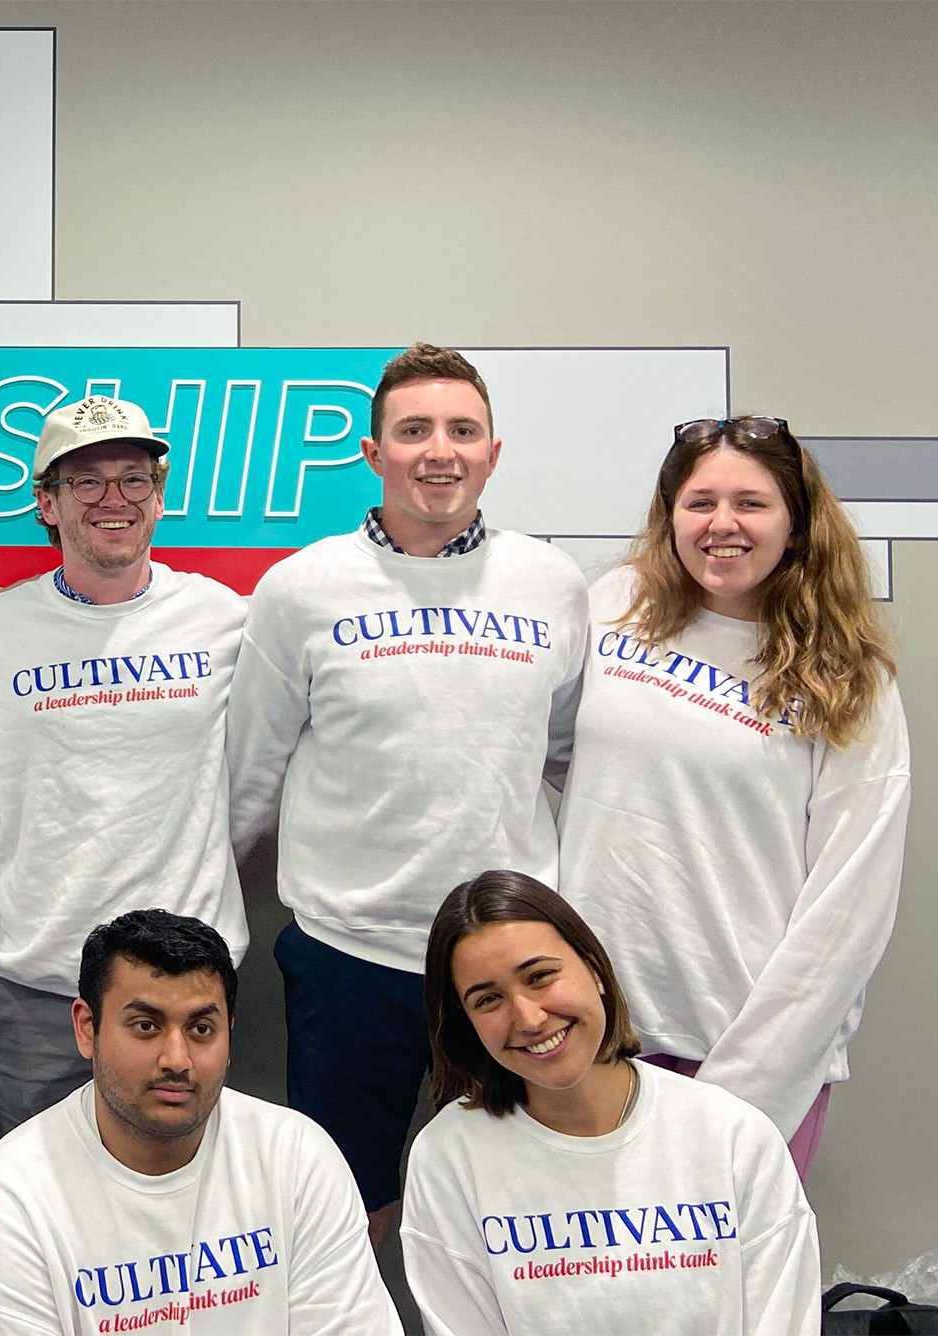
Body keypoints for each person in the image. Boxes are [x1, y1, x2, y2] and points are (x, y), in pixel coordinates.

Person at [226, 343, 588, 1247]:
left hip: (507, 960)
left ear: (493, 454)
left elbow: (572, 755)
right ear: (374, 452)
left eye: (462, 431)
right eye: (414, 430)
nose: (440, 451)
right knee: (350, 1206)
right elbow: (247, 773)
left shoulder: (551, 584)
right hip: (352, 954)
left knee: (517, 1194)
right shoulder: (302, 587)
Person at [556, 415, 909, 1176]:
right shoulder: (611, 605)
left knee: (725, 1289)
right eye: (699, 502)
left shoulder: (848, 675)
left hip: (746, 1046)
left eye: (751, 503)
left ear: (796, 523)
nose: (723, 524)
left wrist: (751, 1083)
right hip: (593, 1037)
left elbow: (851, 903)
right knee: (581, 1286)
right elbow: (541, 749)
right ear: (669, 515)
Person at [0, 394, 248, 1134]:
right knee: (34, 1207)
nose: (114, 500)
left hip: (185, 982)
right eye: (86, 482)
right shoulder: (0, 630)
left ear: (159, 499)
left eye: (134, 479)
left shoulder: (224, 620)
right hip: (39, 987)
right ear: (47, 503)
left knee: (183, 1206)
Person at [401, 870, 819, 1335]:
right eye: (488, 1000)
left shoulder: (732, 1134)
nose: (529, 1017)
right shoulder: (448, 1157)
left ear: (595, 968)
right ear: (467, 1023)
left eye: (540, 976)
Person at [0, 909, 398, 1335]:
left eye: (201, 1029)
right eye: (146, 1026)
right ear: (87, 1028)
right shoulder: (12, 1192)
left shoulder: (298, 1158)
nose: (177, 1060)